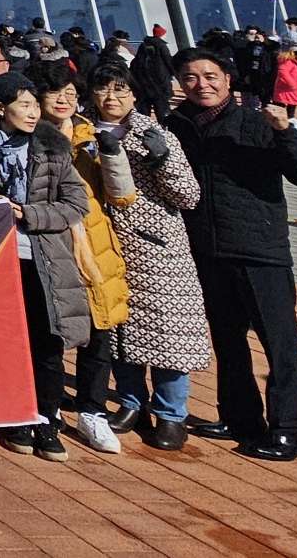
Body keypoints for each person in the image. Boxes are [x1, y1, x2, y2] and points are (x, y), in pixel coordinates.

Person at [167, 47, 297, 460]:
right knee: (228, 340)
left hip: (260, 252)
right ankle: (240, 419)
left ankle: (290, 431)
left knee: (280, 345)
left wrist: (285, 131)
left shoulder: (257, 123)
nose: (201, 85)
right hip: (209, 252)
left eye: (210, 76)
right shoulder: (177, 127)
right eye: (190, 77)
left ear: (228, 79)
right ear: (180, 84)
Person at [0, 73, 89, 462]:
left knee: (47, 341)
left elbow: (76, 203)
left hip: (44, 259)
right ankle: (15, 415)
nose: (33, 113)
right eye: (24, 105)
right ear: (1, 108)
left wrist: (29, 214)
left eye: (34, 105)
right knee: (6, 341)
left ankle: (47, 418)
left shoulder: (52, 148)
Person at [83, 59, 207, 452]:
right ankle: (131, 402)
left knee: (170, 332)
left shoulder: (156, 134)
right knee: (118, 326)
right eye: (103, 89)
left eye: (120, 89)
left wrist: (162, 160)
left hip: (158, 250)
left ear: (134, 94)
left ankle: (171, 413)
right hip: (105, 244)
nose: (111, 97)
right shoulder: (82, 134)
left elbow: (188, 195)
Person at [33, 58, 134, 453]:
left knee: (99, 330)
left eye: (71, 93)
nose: (64, 100)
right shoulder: (28, 137)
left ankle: (93, 411)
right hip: (52, 242)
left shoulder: (89, 134)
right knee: (52, 332)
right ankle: (49, 409)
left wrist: (112, 155)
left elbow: (121, 196)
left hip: (94, 244)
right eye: (54, 93)